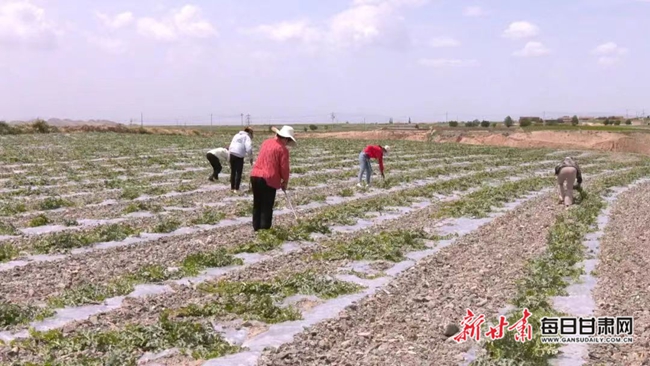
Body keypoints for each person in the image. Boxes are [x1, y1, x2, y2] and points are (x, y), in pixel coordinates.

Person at [249, 126, 296, 231]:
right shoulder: (282, 149)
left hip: (255, 175)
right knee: (267, 205)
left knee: (257, 203)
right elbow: (284, 168)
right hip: (268, 178)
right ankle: (264, 230)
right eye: (288, 141)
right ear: (286, 138)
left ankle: (256, 228)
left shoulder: (266, 142)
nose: (287, 144)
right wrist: (285, 181)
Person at [228, 127, 254, 193]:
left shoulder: (236, 135)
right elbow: (249, 148)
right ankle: (236, 189)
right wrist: (251, 158)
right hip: (239, 156)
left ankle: (232, 188)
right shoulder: (247, 137)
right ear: (249, 132)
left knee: (233, 172)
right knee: (239, 172)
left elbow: (231, 145)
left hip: (232, 154)